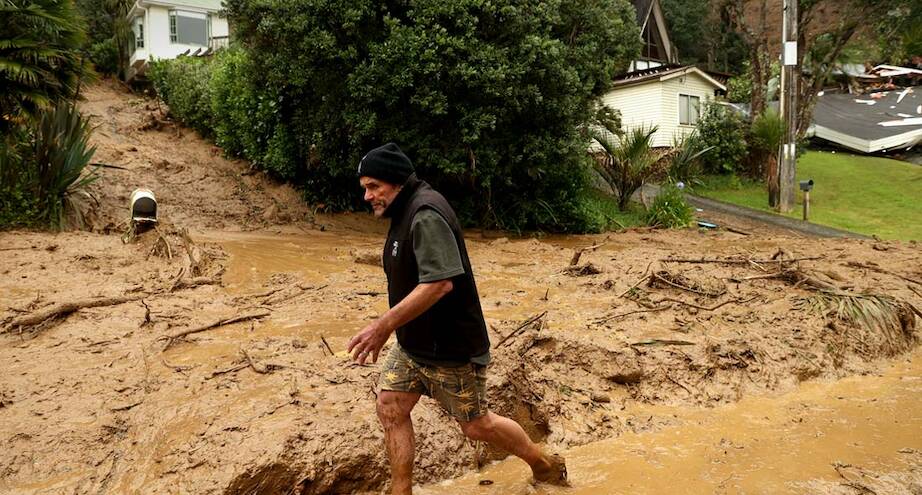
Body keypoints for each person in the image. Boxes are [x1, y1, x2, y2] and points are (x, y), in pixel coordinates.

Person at [348, 143, 568, 494]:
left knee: (478, 426)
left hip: (451, 347)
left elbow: (439, 284)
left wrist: (383, 325)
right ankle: (399, 491)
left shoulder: (425, 214)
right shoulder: (404, 211)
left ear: (396, 181)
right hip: (414, 344)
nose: (367, 195)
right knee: (390, 406)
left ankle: (543, 463)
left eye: (373, 186)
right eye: (364, 187)